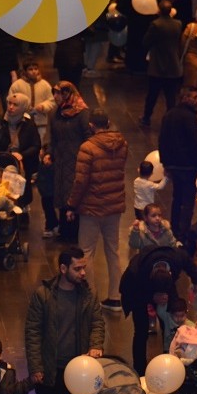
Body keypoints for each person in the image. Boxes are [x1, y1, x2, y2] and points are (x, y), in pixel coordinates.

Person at [24, 247, 105, 394]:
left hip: (78, 371)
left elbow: (97, 323)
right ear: (63, 269)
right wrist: (36, 367)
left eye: (84, 268)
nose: (82, 273)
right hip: (51, 369)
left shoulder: (88, 295)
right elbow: (32, 333)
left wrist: (96, 345)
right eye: (77, 268)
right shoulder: (44, 295)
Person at [66, 109, 129, 309]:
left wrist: (71, 204)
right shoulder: (122, 144)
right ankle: (115, 297)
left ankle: (90, 298)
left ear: (91, 125)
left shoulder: (88, 148)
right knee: (113, 251)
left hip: (92, 207)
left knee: (87, 252)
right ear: (109, 122)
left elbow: (81, 181)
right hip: (114, 205)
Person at [120, 246, 197, 375]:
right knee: (141, 330)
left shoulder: (176, 258)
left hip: (165, 286)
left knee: (172, 326)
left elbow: (188, 261)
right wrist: (150, 296)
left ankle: (171, 362)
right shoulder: (134, 271)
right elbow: (126, 291)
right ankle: (139, 371)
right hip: (140, 291)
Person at [158, 87, 197, 238]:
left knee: (177, 198)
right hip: (188, 166)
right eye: (195, 97)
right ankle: (184, 232)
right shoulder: (190, 117)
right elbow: (194, 143)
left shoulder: (169, 114)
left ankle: (174, 228)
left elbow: (162, 140)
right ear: (185, 98)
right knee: (188, 200)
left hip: (173, 164)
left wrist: (165, 163)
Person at [49, 82, 92, 243]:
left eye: (58, 93)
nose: (55, 97)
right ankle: (64, 230)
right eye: (54, 93)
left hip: (77, 160)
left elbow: (89, 136)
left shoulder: (82, 113)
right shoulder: (55, 113)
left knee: (73, 194)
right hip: (60, 160)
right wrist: (49, 153)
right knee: (61, 194)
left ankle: (75, 232)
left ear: (68, 94)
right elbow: (53, 137)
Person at [140, 0, 184, 127]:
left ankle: (146, 117)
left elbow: (146, 41)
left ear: (159, 10)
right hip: (173, 64)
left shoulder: (156, 24)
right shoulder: (178, 24)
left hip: (157, 64)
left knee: (152, 94)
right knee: (170, 96)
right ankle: (171, 120)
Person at [8, 60, 55, 145]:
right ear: (25, 71)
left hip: (40, 121)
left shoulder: (45, 85)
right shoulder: (17, 85)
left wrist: (43, 106)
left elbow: (51, 100)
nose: (34, 71)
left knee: (40, 144)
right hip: (22, 122)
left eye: (36, 69)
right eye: (30, 69)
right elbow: (11, 100)